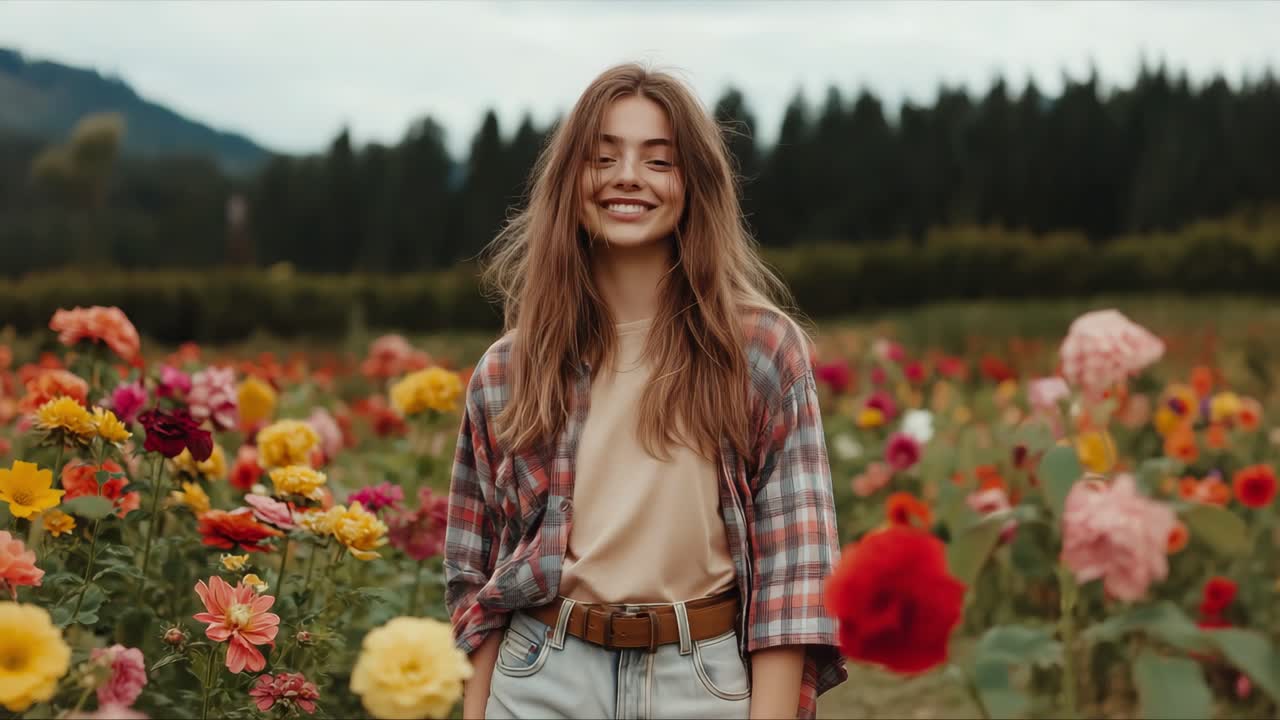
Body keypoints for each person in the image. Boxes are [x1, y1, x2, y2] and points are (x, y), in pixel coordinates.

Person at [444, 62, 846, 720]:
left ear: (695, 185)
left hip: (702, 677)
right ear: (570, 180)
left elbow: (794, 578)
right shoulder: (508, 369)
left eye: (659, 161)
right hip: (541, 671)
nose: (627, 177)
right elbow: (475, 574)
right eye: (603, 157)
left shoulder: (761, 353)